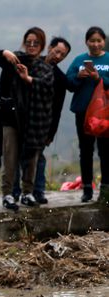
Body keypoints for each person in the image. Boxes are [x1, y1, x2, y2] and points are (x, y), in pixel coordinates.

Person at [0, 28, 54, 211]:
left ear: (41, 46)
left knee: (31, 159)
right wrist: (5, 52)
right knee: (9, 157)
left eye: (36, 43)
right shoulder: (14, 60)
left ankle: (27, 192)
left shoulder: (45, 68)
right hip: (11, 118)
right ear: (24, 43)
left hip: (34, 121)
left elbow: (47, 87)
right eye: (28, 42)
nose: (32, 46)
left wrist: (28, 79)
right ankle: (8, 194)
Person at [11, 37, 71, 205]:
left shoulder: (59, 78)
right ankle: (15, 192)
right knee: (15, 156)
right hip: (21, 117)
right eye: (57, 51)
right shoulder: (31, 63)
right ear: (49, 47)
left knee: (38, 158)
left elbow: (57, 108)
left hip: (40, 122)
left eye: (63, 55)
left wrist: (51, 132)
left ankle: (38, 191)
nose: (58, 56)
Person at [66, 26, 109, 204]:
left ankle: (105, 189)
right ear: (86, 42)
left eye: (99, 40)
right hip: (83, 112)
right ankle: (87, 189)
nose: (96, 44)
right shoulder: (79, 60)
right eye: (92, 40)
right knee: (86, 150)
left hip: (105, 113)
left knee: (106, 151)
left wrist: (99, 78)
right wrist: (79, 75)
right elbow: (69, 83)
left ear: (104, 42)